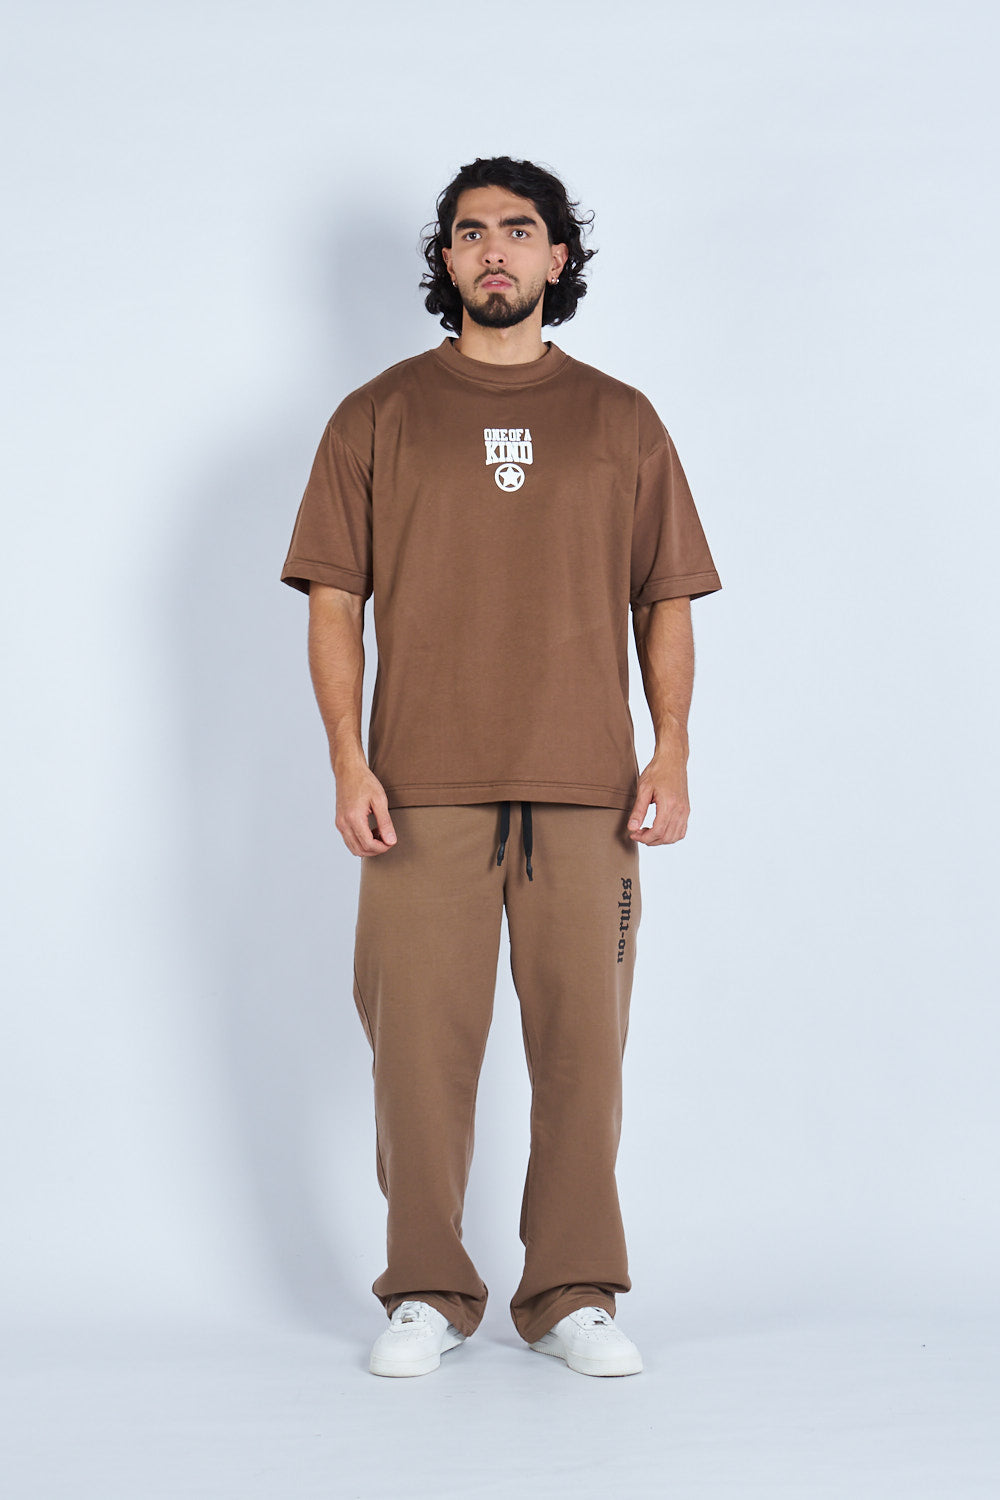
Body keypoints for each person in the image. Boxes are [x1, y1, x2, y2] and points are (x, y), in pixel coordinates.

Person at [280, 155, 722, 1379]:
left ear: (556, 259)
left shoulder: (621, 419)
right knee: (417, 1056)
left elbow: (664, 598)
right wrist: (347, 759)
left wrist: (672, 749)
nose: (494, 251)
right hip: (419, 789)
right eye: (471, 232)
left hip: (587, 792)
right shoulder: (378, 413)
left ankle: (573, 1292)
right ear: (445, 260)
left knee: (585, 1051)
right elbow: (334, 599)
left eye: (519, 231)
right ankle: (425, 1289)